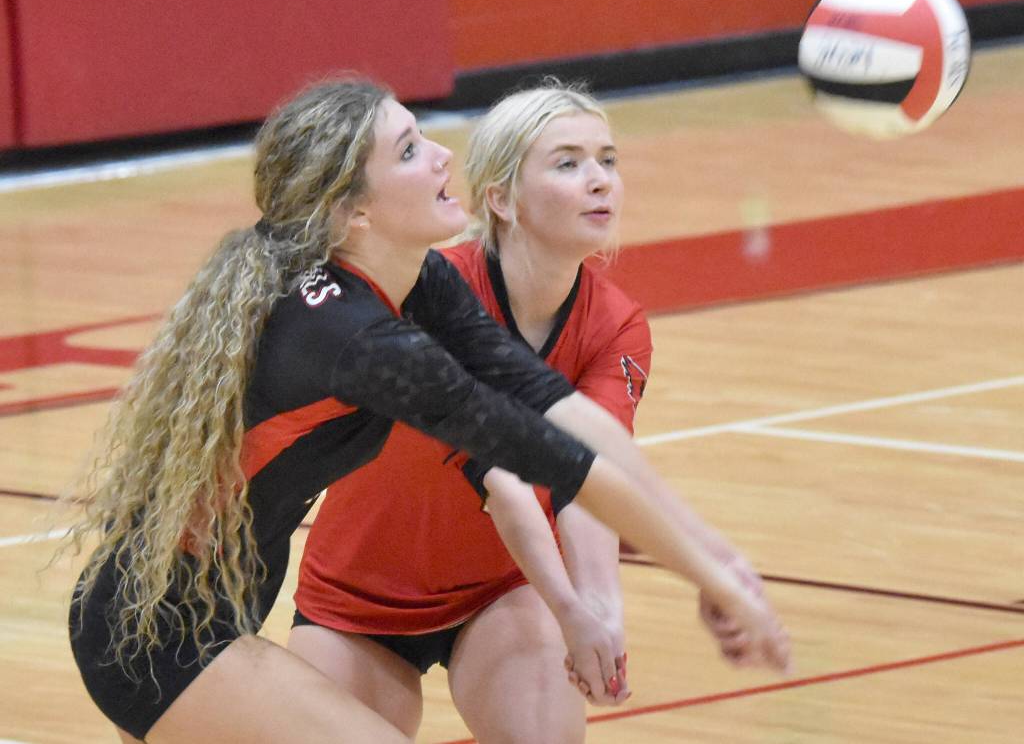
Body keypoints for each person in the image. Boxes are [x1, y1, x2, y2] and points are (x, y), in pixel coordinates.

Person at [65, 78, 789, 744]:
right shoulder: (357, 340)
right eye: (410, 150)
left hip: (224, 601)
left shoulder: (419, 282)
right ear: (353, 212)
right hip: (154, 631)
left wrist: (716, 557)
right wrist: (716, 578)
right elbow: (543, 453)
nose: (445, 155)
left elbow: (552, 404)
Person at [289, 82, 756, 743]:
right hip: (357, 599)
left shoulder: (614, 325)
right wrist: (573, 606)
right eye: (567, 163)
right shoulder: (430, 290)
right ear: (501, 199)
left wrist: (601, 604)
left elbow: (585, 478)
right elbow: (503, 482)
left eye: (607, 160)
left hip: (502, 590)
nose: (599, 181)